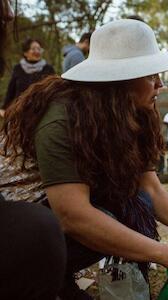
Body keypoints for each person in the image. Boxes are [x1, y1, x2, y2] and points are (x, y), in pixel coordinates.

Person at [1, 19, 168, 299]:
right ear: (120, 82)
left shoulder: (135, 112)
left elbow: (150, 187)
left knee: (138, 202)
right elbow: (72, 216)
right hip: (20, 225)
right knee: (107, 215)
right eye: (150, 76)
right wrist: (162, 253)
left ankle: (59, 276)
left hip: (52, 215)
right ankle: (48, 279)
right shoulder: (63, 117)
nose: (160, 84)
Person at [0, 1, 67, 299]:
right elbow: (10, 97)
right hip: (18, 123)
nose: (11, 13)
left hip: (36, 122)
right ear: (27, 50)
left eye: (41, 48)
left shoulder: (49, 71)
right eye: (35, 48)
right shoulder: (17, 69)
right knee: (38, 226)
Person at [1, 38, 55, 112]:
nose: (37, 51)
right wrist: (4, 108)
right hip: (20, 110)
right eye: (33, 49)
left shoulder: (48, 69)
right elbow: (11, 90)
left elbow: (54, 91)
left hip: (41, 111)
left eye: (39, 49)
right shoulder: (18, 68)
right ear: (25, 53)